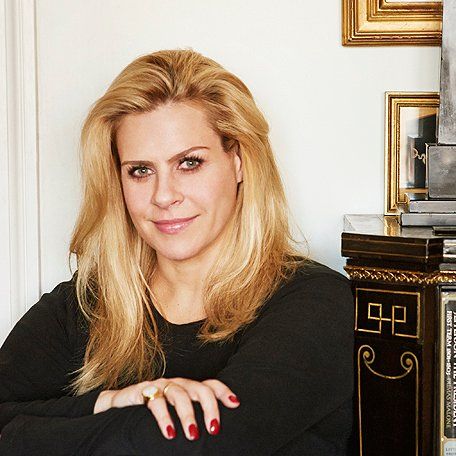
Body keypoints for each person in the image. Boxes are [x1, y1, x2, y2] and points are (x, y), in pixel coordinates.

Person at [0, 49, 354, 455]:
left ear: (238, 161)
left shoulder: (316, 302)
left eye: (189, 163)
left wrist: (26, 432)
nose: (164, 196)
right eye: (140, 170)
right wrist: (109, 400)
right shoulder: (84, 304)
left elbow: (191, 445)